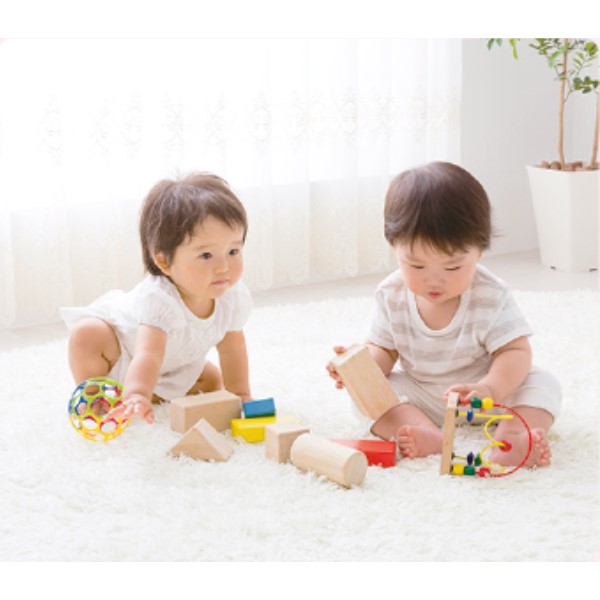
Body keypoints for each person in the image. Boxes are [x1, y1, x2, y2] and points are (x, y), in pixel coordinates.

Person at [327, 161, 561, 468]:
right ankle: (423, 431)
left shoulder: (491, 294)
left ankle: (514, 437)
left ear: (479, 252)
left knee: (543, 383)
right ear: (395, 248)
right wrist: (359, 368)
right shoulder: (391, 294)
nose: (434, 280)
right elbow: (383, 349)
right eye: (416, 265)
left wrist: (490, 388)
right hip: (422, 396)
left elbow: (515, 351)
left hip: (486, 396)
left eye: (452, 267)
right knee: (364, 398)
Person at [61, 172, 252, 424]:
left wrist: (240, 394)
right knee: (87, 336)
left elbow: (232, 348)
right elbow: (148, 354)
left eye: (233, 251)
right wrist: (137, 393)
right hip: (124, 353)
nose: (223, 267)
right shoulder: (159, 299)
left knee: (212, 380)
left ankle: (156, 392)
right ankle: (100, 396)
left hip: (173, 365)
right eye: (206, 256)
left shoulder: (231, 296)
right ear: (163, 262)